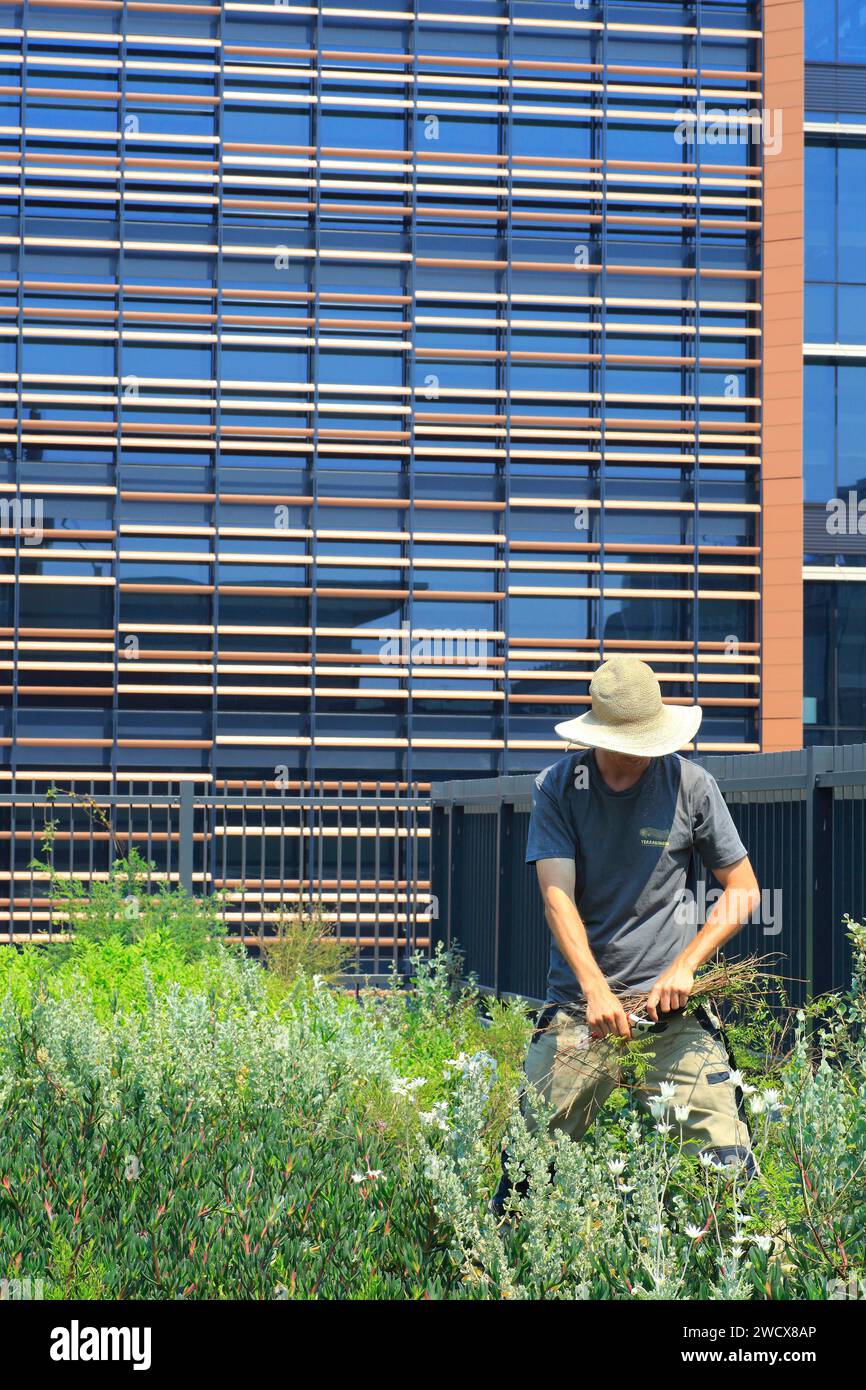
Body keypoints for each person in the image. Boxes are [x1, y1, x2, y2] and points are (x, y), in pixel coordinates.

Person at [490, 655, 762, 1216]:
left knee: (728, 1162)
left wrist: (686, 964)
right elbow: (556, 896)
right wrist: (594, 990)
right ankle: (499, 1269)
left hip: (670, 1015)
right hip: (579, 1011)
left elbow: (742, 890)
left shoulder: (691, 784)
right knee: (525, 1171)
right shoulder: (560, 787)